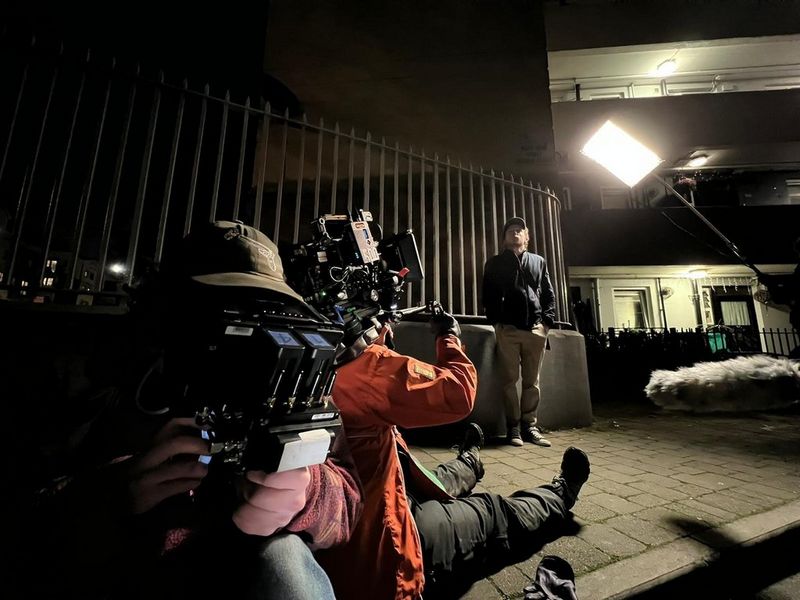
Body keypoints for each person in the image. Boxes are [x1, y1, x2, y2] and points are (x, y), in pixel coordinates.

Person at [12, 221, 362, 600]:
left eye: (262, 309)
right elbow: (23, 513)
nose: (241, 330)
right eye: (217, 307)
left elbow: (348, 506)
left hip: (249, 570)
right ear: (165, 308)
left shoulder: (296, 384)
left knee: (286, 560)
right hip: (125, 573)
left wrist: (307, 493)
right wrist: (116, 493)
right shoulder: (94, 374)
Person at [315, 313, 590, 600]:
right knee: (492, 511)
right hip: (387, 546)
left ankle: (470, 460)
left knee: (433, 476)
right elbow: (458, 392)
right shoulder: (363, 369)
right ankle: (560, 496)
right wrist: (449, 337)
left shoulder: (306, 371)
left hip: (360, 511)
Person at [482, 216, 556, 448]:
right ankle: (513, 427)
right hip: (508, 329)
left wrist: (546, 324)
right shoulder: (495, 263)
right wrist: (497, 323)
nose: (515, 233)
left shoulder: (538, 261)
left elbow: (548, 294)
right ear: (504, 238)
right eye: (510, 230)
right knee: (509, 381)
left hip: (535, 329)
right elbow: (488, 296)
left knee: (532, 382)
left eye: (519, 230)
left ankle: (529, 426)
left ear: (527, 236)